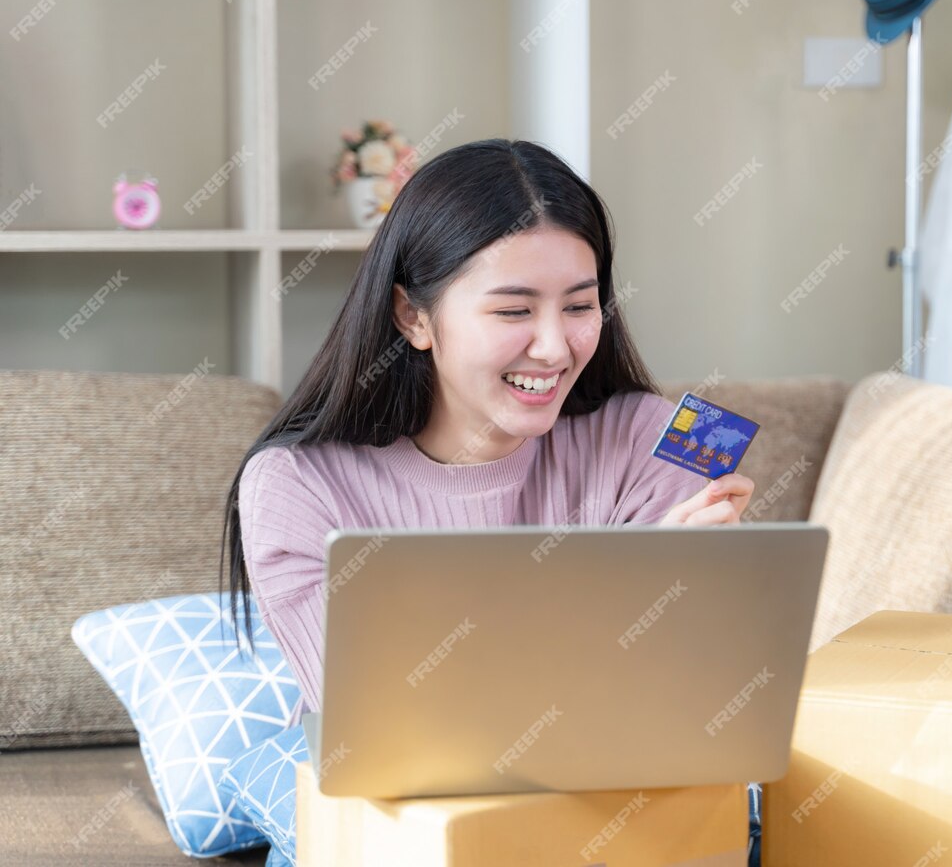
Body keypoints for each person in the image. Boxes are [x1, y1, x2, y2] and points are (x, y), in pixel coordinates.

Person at [219, 137, 759, 857]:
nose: (555, 348)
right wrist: (627, 610)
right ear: (412, 317)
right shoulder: (294, 484)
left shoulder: (666, 433)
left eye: (579, 305)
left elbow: (686, 714)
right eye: (513, 311)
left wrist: (706, 596)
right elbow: (395, 740)